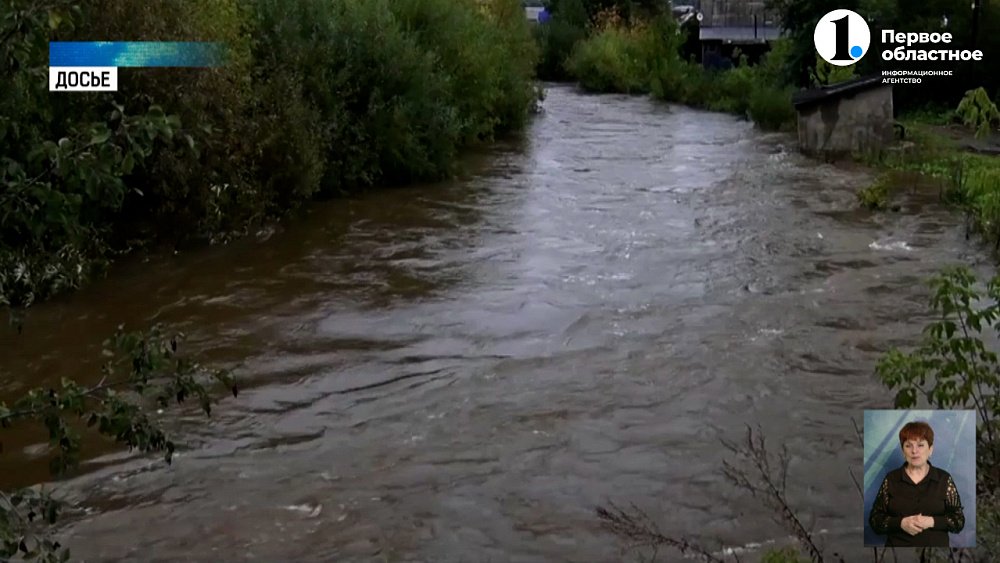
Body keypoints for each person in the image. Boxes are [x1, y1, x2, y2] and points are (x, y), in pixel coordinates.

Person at [869, 421, 965, 547]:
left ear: (930, 450)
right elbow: (875, 520)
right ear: (903, 451)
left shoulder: (944, 479)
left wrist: (931, 521)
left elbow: (958, 521)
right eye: (908, 446)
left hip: (936, 554)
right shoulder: (891, 479)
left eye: (920, 445)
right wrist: (901, 523)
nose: (914, 451)